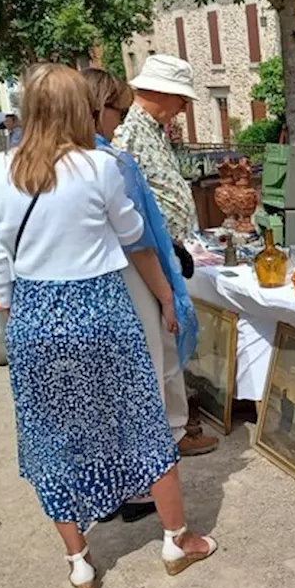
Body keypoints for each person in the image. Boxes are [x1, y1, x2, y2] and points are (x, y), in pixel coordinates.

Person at [0, 64, 216, 588]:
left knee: (52, 440)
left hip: (36, 315)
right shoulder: (99, 166)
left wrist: (18, 316)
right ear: (79, 109)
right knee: (144, 425)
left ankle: (80, 562)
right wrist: (165, 298)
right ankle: (177, 540)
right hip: (102, 310)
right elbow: (137, 241)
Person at [84, 68, 203, 522]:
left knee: (140, 375)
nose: (184, 108)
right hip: (133, 270)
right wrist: (167, 292)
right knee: (151, 369)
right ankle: (147, 485)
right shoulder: (114, 154)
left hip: (116, 274)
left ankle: (133, 479)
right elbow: (135, 235)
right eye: (116, 106)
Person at [115, 55, 218, 456]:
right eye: (181, 99)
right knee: (163, 342)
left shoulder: (153, 132)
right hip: (151, 255)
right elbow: (133, 208)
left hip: (167, 249)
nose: (184, 108)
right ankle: (169, 437)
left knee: (170, 342)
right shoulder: (129, 137)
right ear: (162, 93)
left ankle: (176, 429)